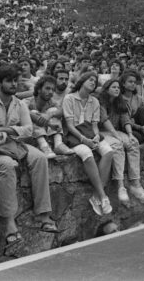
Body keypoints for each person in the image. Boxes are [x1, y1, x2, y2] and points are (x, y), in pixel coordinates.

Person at [0, 65, 58, 248]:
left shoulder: (19, 103)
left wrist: (3, 131)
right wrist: (10, 133)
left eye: (15, 81)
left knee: (40, 158)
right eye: (9, 81)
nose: (14, 84)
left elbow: (28, 130)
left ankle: (43, 214)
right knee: (7, 165)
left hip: (12, 144)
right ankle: (9, 222)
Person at [62, 72, 114, 215]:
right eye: (90, 80)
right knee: (87, 153)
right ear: (82, 81)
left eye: (95, 81)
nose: (93, 82)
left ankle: (96, 196)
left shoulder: (95, 101)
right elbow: (70, 126)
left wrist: (96, 136)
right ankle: (103, 196)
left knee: (108, 152)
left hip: (90, 133)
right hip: (74, 135)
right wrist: (84, 140)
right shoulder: (69, 98)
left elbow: (95, 126)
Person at [97, 78, 144, 204]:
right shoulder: (100, 102)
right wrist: (116, 135)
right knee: (117, 145)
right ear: (107, 89)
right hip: (101, 132)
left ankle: (135, 184)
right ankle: (120, 186)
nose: (117, 89)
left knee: (133, 142)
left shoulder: (120, 102)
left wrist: (130, 134)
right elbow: (104, 120)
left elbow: (125, 119)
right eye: (114, 87)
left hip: (115, 131)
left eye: (118, 88)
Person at [26, 75, 72, 158]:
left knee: (53, 110)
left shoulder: (51, 101)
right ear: (39, 89)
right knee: (33, 112)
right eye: (47, 88)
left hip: (47, 132)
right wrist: (39, 117)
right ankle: (44, 147)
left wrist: (49, 115)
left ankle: (58, 144)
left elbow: (61, 111)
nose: (51, 92)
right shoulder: (29, 101)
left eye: (53, 89)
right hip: (31, 136)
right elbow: (23, 112)